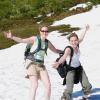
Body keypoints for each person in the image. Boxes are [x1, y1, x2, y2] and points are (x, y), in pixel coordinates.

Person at [4, 25, 62, 100]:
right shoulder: (35, 39)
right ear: (40, 31)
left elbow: (56, 50)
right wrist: (12, 37)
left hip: (41, 65)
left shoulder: (48, 42)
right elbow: (22, 40)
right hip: (31, 63)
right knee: (34, 85)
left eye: (46, 31)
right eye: (43, 31)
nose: (45, 32)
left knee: (48, 85)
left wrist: (66, 51)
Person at [52, 25, 92, 100]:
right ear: (69, 41)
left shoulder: (77, 44)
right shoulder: (69, 49)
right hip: (70, 70)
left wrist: (85, 30)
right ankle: (65, 98)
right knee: (69, 88)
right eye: (72, 41)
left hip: (79, 68)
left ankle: (85, 96)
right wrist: (58, 63)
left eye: (75, 40)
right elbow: (64, 57)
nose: (74, 42)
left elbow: (81, 38)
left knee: (87, 85)